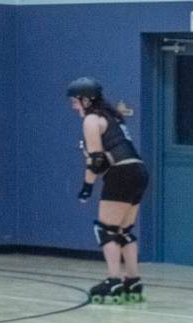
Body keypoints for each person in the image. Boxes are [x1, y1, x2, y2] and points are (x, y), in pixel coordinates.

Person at [67, 77, 150, 304]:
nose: (74, 107)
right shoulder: (112, 117)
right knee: (124, 230)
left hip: (122, 173)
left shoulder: (92, 119)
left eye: (75, 102)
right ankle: (132, 280)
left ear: (86, 100)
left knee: (107, 230)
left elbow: (97, 162)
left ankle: (113, 281)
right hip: (139, 171)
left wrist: (87, 187)